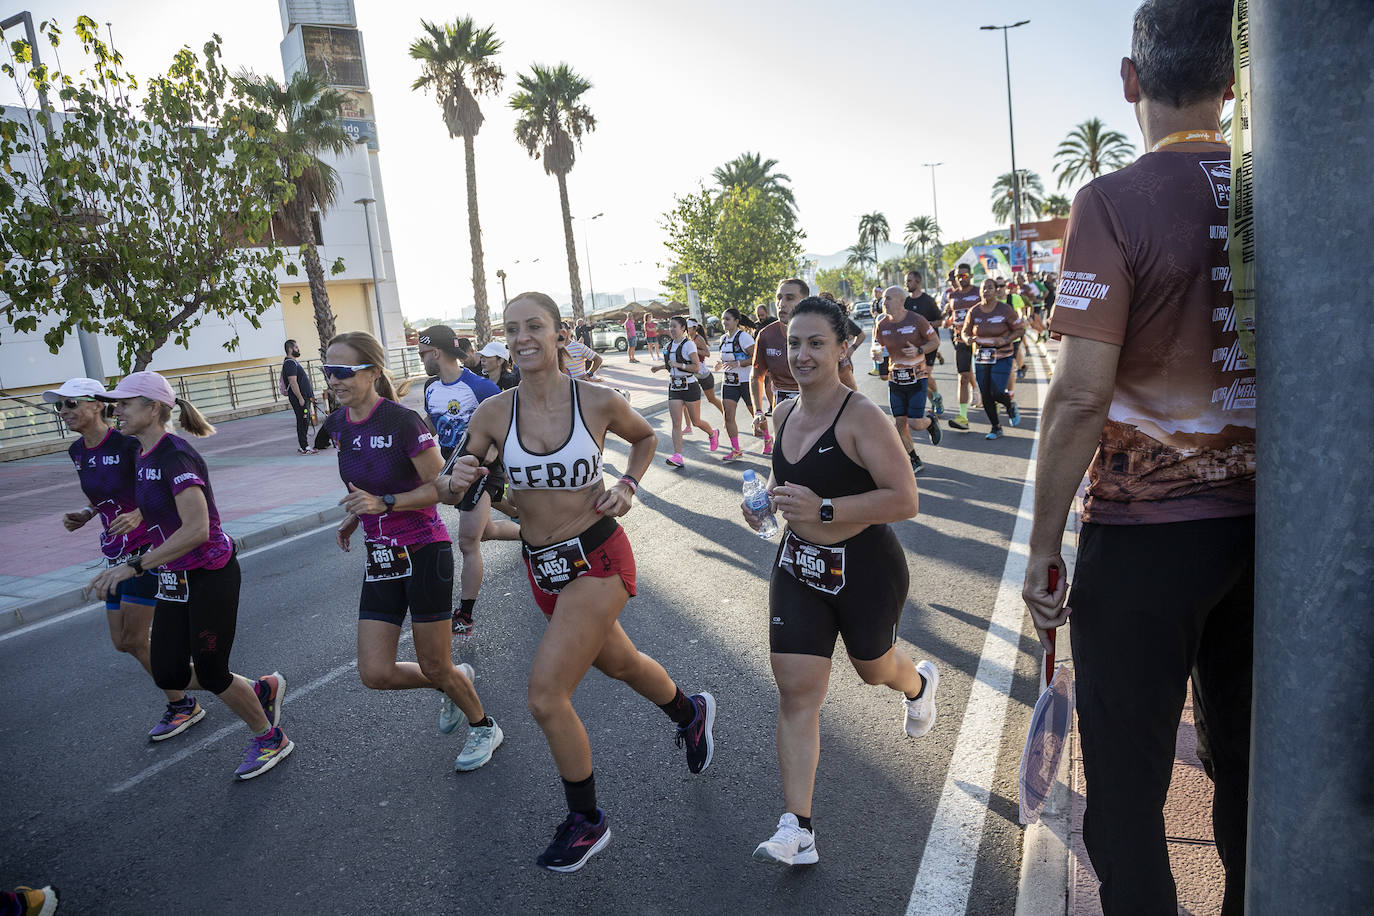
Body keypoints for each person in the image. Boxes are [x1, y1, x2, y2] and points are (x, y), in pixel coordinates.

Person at [1023, 3, 1252, 911]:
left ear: (1130, 80)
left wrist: (1045, 546)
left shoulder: (1111, 201)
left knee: (1125, 794)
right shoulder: (1277, 184)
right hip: (1274, 530)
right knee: (1246, 766)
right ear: (1232, 89)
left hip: (1147, 537)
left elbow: (1079, 396)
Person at [440, 291, 716, 873]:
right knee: (621, 663)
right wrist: (460, 475)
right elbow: (455, 482)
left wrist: (629, 485)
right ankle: (689, 713)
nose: (522, 338)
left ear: (560, 334)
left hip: (599, 559)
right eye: (511, 329)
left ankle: (587, 820)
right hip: (543, 570)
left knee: (545, 695)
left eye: (534, 326)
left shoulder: (597, 400)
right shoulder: (493, 413)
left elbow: (645, 439)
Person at [741, 297, 937, 868]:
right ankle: (797, 828)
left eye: (815, 343)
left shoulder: (861, 418)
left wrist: (826, 509)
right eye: (793, 343)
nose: (801, 354)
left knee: (875, 670)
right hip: (800, 565)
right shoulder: (781, 415)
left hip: (865, 568)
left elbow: (906, 500)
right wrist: (766, 511)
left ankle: (918, 685)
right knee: (797, 690)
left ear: (841, 347)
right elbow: (790, 490)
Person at [83, 371, 293, 781]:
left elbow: (197, 529)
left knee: (213, 671)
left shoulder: (174, 456)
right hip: (173, 577)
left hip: (209, 573)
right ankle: (261, 690)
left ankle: (270, 738)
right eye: (116, 403)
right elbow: (158, 506)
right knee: (168, 672)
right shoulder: (143, 455)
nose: (116, 410)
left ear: (154, 408)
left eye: (125, 403)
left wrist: (137, 564)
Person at [322, 331, 503, 772]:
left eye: (342, 371)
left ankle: (483, 726)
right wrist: (358, 514)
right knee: (375, 672)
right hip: (382, 556)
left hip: (424, 550)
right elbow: (366, 482)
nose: (333, 380)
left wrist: (384, 504)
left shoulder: (403, 423)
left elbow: (441, 488)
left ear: (371, 371)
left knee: (435, 662)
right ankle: (454, 683)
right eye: (327, 371)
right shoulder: (337, 425)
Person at [48, 377, 197, 741]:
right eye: (60, 406)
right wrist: (87, 512)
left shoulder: (129, 444)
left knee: (134, 636)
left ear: (98, 405)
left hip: (147, 551)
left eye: (71, 404)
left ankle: (189, 700)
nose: (64, 412)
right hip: (115, 553)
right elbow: (105, 494)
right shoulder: (77, 451)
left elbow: (158, 486)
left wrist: (141, 515)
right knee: (124, 642)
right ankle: (204, 686)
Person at [417, 325, 518, 639]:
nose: (421, 360)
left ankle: (465, 616)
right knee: (486, 531)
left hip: (482, 472)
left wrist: (485, 459)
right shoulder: (431, 388)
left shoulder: (480, 387)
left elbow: (507, 429)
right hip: (451, 475)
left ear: (436, 352)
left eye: (423, 354)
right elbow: (430, 426)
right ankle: (538, 537)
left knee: (467, 543)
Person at [875, 285, 942, 473]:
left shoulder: (917, 320)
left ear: (900, 301)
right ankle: (914, 459)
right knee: (899, 423)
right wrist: (878, 360)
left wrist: (919, 350)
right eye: (883, 298)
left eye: (888, 298)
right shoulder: (881, 324)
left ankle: (930, 420)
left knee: (915, 423)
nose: (883, 302)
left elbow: (935, 342)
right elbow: (880, 349)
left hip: (917, 377)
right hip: (895, 379)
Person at [651, 315, 718, 467]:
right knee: (676, 423)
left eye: (674, 326)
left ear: (683, 328)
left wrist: (679, 365)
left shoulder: (689, 345)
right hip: (674, 387)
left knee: (696, 421)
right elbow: (671, 364)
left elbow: (696, 367)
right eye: (670, 326)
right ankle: (678, 456)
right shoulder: (668, 346)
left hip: (690, 386)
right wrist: (660, 367)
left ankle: (713, 433)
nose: (671, 329)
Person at [963, 278, 1025, 440]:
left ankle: (1009, 405)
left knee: (996, 391)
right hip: (982, 357)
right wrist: (967, 338)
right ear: (980, 291)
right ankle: (996, 427)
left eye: (990, 288)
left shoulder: (1005, 309)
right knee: (985, 394)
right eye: (984, 288)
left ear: (996, 290)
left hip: (1002, 355)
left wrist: (1004, 340)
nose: (986, 291)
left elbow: (1019, 329)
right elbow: (965, 332)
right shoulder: (974, 311)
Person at [752, 279, 807, 454]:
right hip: (782, 408)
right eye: (779, 298)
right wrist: (758, 411)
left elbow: (843, 378)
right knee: (784, 460)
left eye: (789, 298)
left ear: (804, 301)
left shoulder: (821, 331)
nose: (782, 304)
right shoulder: (766, 335)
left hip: (818, 408)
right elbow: (756, 376)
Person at [944, 263, 986, 430]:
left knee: (985, 377)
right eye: (957, 276)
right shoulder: (952, 296)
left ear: (970, 275)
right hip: (960, 341)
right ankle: (963, 417)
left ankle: (993, 403)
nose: (961, 279)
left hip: (979, 341)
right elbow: (954, 316)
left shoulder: (978, 292)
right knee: (963, 378)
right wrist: (948, 322)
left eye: (964, 275)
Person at [715, 307, 757, 462]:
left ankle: (767, 439)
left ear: (736, 321)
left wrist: (738, 363)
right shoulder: (723, 339)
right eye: (723, 319)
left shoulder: (744, 337)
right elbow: (728, 360)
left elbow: (756, 358)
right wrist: (721, 364)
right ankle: (736, 449)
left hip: (746, 382)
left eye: (727, 319)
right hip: (729, 382)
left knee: (756, 415)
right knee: (728, 417)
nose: (724, 322)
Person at [904, 271, 945, 414]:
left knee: (924, 376)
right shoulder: (906, 302)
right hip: (912, 347)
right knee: (917, 378)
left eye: (909, 281)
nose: (906, 284)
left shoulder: (928, 300)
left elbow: (940, 321)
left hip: (929, 345)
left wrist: (928, 325)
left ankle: (936, 398)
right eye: (906, 281)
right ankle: (934, 397)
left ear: (918, 282)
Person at [281, 339, 319, 455]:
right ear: (290, 349)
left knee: (305, 419)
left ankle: (305, 445)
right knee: (303, 420)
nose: (298, 349)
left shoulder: (292, 363)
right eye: (296, 347)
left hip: (303, 398)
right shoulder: (290, 363)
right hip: (299, 399)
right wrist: (300, 398)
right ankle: (304, 446)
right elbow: (293, 382)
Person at [688, 318, 726, 429]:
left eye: (689, 327)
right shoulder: (688, 338)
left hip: (704, 374)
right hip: (694, 372)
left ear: (694, 328)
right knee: (685, 399)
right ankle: (688, 425)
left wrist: (694, 350)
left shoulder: (698, 338)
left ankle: (727, 415)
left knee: (711, 399)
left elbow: (707, 353)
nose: (687, 329)